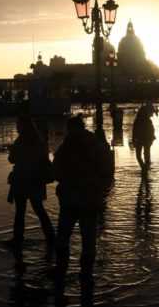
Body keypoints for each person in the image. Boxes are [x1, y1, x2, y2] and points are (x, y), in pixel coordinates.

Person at [52, 115, 107, 286]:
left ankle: (61, 274)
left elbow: (56, 171)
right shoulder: (95, 143)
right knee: (88, 240)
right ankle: (86, 277)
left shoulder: (66, 146)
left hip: (70, 198)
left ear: (70, 128)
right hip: (90, 198)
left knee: (63, 237)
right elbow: (105, 170)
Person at [7, 116, 55, 262]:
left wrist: (12, 150)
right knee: (39, 210)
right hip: (36, 180)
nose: (17, 128)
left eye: (18, 125)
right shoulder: (39, 141)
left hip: (22, 180)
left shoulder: (20, 141)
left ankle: (18, 239)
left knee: (20, 212)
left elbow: (12, 159)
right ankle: (51, 236)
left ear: (22, 126)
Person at [132, 105, 155, 170]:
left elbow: (134, 131)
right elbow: (152, 130)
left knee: (139, 156)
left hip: (140, 139)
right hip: (144, 140)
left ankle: (144, 168)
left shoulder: (138, 120)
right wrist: (152, 138)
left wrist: (133, 140)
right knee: (146, 155)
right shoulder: (147, 120)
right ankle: (145, 168)